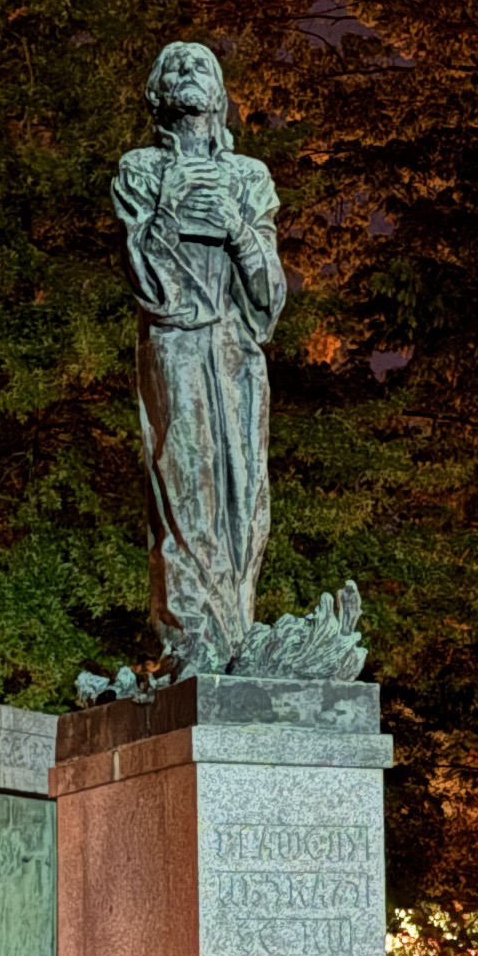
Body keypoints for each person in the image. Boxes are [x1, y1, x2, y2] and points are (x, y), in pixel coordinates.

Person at [108, 40, 283, 675]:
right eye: (174, 66)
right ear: (157, 94)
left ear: (221, 94)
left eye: (200, 64)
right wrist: (172, 207)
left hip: (236, 352)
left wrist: (236, 227)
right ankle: (188, 639)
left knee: (244, 494)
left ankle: (235, 638)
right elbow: (148, 282)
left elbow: (270, 297)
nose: (187, 72)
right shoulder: (141, 170)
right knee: (184, 484)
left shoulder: (249, 178)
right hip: (178, 345)